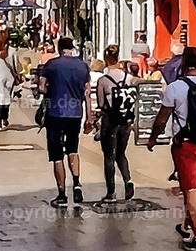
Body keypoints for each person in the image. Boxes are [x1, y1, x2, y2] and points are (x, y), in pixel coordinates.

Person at [147, 46, 196, 251]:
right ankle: (185, 227)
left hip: (185, 146)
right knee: (195, 188)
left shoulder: (175, 88)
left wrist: (152, 139)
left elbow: (162, 118)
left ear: (182, 64)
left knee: (191, 191)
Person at [39, 36, 93, 208]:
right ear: (72, 48)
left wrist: (50, 91)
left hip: (55, 112)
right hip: (75, 113)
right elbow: (87, 92)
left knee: (56, 155)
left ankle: (62, 194)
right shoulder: (83, 66)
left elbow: (41, 87)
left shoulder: (51, 65)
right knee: (73, 148)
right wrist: (90, 117)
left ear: (59, 48)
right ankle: (76, 183)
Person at [95, 45, 136, 206]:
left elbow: (101, 104)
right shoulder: (128, 78)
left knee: (109, 157)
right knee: (121, 153)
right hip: (126, 121)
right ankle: (128, 181)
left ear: (106, 59)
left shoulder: (103, 81)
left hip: (110, 121)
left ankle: (111, 192)